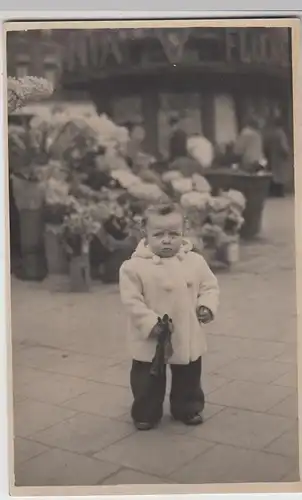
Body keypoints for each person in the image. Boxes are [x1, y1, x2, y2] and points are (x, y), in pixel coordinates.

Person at [119, 202, 219, 430]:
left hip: (186, 332)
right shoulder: (133, 267)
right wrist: (149, 323)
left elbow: (209, 286)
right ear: (145, 232)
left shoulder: (195, 261)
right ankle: (146, 412)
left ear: (184, 230)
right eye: (159, 234)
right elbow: (131, 300)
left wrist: (206, 305)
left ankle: (188, 407)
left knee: (189, 373)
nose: (166, 239)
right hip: (153, 335)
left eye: (173, 233)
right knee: (148, 377)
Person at [263, 116, 290, 197]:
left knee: (273, 174)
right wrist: (287, 154)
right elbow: (283, 146)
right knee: (280, 175)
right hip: (279, 157)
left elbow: (265, 146)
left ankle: (272, 192)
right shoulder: (281, 134)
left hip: (271, 156)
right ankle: (280, 193)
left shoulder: (270, 133)